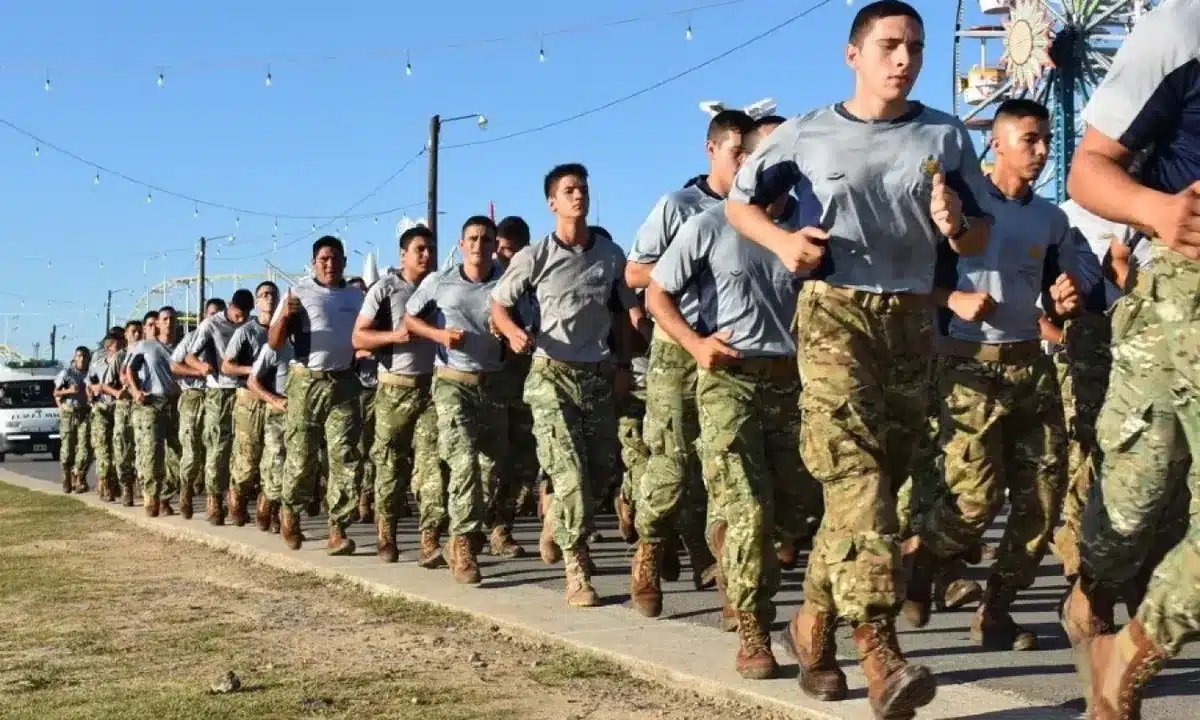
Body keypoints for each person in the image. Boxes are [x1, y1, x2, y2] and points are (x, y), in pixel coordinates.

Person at [725, 1, 992, 713]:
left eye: (917, 47)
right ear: (853, 55)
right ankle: (880, 652)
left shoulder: (945, 135)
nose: (904, 60)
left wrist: (957, 227)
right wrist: (783, 243)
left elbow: (979, 234)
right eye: (890, 45)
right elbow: (739, 205)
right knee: (859, 481)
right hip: (834, 314)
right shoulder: (809, 133)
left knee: (875, 492)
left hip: (910, 323)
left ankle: (812, 626)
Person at [1056, 1, 1200, 714]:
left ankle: (1131, 653)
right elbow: (1088, 171)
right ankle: (1093, 589)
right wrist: (1159, 210)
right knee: (1137, 499)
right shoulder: (1182, 29)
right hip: (1182, 286)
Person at [905, 99, 1082, 653]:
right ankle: (921, 558)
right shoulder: (957, 207)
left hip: (1031, 368)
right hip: (967, 369)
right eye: (1030, 139)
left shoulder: (1051, 219)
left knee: (1042, 502)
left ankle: (997, 611)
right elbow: (910, 282)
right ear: (997, 143)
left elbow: (1057, 296)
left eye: (1046, 139)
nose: (1042, 150)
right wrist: (951, 298)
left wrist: (1064, 301)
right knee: (976, 499)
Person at [648, 119, 816, 679]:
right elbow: (656, 294)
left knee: (799, 508)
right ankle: (753, 632)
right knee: (749, 508)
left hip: (790, 383)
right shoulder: (710, 223)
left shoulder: (812, 228)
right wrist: (695, 344)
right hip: (729, 381)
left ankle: (728, 543)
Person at [491, 163, 637, 608]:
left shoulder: (610, 254)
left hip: (596, 375)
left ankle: (555, 512)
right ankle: (577, 571)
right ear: (552, 202)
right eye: (570, 190)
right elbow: (498, 305)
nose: (579, 196)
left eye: (583, 189)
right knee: (571, 472)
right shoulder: (535, 256)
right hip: (550, 374)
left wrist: (625, 363)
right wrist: (513, 332)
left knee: (598, 474)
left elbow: (624, 313)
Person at [625, 110, 756, 592]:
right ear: (711, 150)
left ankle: (730, 581)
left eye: (751, 153)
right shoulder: (679, 205)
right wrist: (687, 260)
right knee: (673, 466)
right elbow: (634, 273)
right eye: (736, 152)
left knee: (726, 464)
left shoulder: (758, 208)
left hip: (732, 349)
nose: (744, 162)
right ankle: (650, 544)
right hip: (677, 346)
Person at [405, 216, 508, 583]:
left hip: (492, 383)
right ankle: (462, 544)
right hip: (452, 382)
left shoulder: (507, 281)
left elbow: (528, 321)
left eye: (486, 239)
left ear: (495, 245)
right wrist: (438, 335)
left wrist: (508, 329)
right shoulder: (440, 281)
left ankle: (463, 535)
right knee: (462, 460)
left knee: (489, 469)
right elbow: (409, 319)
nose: (479, 245)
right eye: (472, 239)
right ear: (461, 245)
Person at [269, 236, 366, 555]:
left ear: (344, 262)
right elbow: (274, 342)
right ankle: (290, 512)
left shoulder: (357, 296)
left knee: (345, 457)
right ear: (313, 263)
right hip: (307, 383)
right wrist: (285, 316)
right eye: (324, 259)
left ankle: (338, 529)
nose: (330, 264)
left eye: (336, 258)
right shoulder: (297, 293)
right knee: (302, 456)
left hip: (344, 382)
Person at [354, 226, 440, 565]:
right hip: (394, 389)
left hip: (432, 388)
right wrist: (395, 336)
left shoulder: (441, 286)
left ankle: (429, 541)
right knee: (390, 465)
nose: (426, 255)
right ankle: (386, 535)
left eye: (430, 248)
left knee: (432, 465)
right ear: (403, 254)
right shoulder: (385, 289)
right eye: (419, 249)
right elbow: (359, 338)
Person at [184, 290, 252, 524]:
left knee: (243, 447)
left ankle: (236, 499)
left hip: (244, 390)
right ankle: (214, 499)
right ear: (230, 307)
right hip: (218, 391)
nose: (241, 319)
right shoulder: (211, 325)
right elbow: (190, 357)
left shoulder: (249, 325)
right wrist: (201, 367)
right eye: (238, 315)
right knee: (217, 447)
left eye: (245, 315)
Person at [494, 215, 542, 534]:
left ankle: (502, 527)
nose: (502, 256)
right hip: (492, 378)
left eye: (509, 250)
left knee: (523, 456)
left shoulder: (535, 282)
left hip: (526, 376)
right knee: (488, 458)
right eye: (499, 248)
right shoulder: (489, 280)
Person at [221, 282, 279, 527]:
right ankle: (237, 495)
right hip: (250, 399)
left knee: (275, 455)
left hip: (276, 399)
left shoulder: (286, 328)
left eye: (273, 294)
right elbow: (227, 366)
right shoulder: (246, 331)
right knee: (247, 457)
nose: (269, 298)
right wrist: (254, 369)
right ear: (256, 302)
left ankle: (268, 506)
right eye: (263, 295)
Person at [126, 308, 183, 516]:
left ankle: (165, 495)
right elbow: (130, 370)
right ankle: (151, 496)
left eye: (172, 319)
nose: (169, 323)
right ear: (157, 323)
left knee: (180, 455)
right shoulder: (147, 346)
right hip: (152, 403)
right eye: (165, 319)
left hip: (176, 403)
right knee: (152, 453)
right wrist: (135, 390)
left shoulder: (181, 347)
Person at [172, 298, 225, 517]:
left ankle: (214, 501)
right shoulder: (192, 338)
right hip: (194, 395)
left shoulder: (227, 338)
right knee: (191, 448)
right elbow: (175, 365)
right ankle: (186, 491)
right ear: (204, 316)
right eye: (212, 314)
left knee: (216, 448)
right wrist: (199, 371)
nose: (215, 318)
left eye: (219, 314)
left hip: (218, 396)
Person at [247, 336, 294, 535]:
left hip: (304, 410)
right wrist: (274, 400)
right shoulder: (274, 347)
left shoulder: (317, 345)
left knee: (296, 465)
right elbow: (252, 381)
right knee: (276, 460)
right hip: (278, 409)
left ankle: (285, 514)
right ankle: (268, 500)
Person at [87, 332, 122, 501]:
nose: (120, 347)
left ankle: (114, 483)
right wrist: (91, 396)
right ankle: (105, 483)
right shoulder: (98, 364)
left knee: (118, 448)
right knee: (102, 448)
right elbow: (89, 384)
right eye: (117, 344)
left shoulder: (126, 362)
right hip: (102, 408)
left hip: (119, 408)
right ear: (108, 347)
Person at [112, 319, 143, 506]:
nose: (137, 335)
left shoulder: (146, 351)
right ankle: (126, 487)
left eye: (140, 331)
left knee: (142, 447)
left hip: (141, 406)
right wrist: (118, 391)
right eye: (133, 331)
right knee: (123, 449)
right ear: (126, 334)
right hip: (124, 407)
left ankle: (142, 483)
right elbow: (108, 383)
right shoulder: (120, 356)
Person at [53, 346, 92, 494]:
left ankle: (80, 477)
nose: (82, 359)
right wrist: (69, 391)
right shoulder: (67, 373)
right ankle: (67, 476)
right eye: (79, 356)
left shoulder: (91, 373)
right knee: (67, 449)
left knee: (85, 448)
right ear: (75, 358)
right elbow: (56, 392)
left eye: (85, 356)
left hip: (85, 413)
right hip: (69, 413)